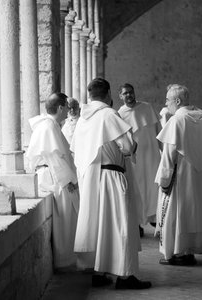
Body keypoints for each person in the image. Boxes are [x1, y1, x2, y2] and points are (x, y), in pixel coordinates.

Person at [71, 78, 151, 289]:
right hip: (112, 177)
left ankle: (99, 272)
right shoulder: (109, 114)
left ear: (90, 96)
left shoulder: (82, 119)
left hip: (91, 178)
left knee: (101, 226)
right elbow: (127, 146)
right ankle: (126, 277)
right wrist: (133, 145)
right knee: (121, 225)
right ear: (107, 95)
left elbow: (75, 150)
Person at [155, 84, 202, 266]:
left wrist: (164, 180)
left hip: (180, 176)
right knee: (193, 213)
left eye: (167, 99)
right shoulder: (201, 119)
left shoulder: (177, 121)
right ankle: (189, 251)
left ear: (177, 101)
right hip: (198, 176)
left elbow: (169, 153)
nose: (165, 103)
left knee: (177, 213)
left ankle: (176, 253)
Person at [26, 92, 79, 270]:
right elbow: (55, 157)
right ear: (61, 107)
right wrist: (69, 180)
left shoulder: (50, 124)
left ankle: (69, 259)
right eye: (67, 108)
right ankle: (65, 261)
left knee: (68, 217)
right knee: (66, 217)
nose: (69, 112)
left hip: (54, 175)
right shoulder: (49, 126)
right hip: (54, 177)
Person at [118, 83, 161, 233]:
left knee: (153, 187)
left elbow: (158, 131)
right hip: (135, 159)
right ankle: (137, 223)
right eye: (125, 93)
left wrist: (162, 151)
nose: (129, 95)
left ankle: (156, 219)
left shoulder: (147, 107)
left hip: (152, 156)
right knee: (137, 189)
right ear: (120, 96)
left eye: (131, 92)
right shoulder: (120, 114)